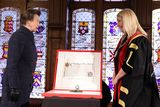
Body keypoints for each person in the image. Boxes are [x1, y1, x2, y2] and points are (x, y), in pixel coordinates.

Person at [112, 8, 160, 107]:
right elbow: (118, 60)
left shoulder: (140, 41)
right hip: (122, 82)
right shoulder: (124, 40)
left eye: (119, 21)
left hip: (135, 88)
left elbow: (129, 64)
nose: (117, 24)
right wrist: (115, 75)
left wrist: (116, 78)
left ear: (127, 21)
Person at [0, 9, 40, 107]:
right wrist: (14, 88)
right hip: (15, 88)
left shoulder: (27, 36)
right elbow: (11, 65)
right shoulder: (18, 37)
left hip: (23, 87)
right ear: (29, 21)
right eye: (37, 21)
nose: (38, 23)